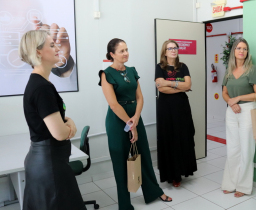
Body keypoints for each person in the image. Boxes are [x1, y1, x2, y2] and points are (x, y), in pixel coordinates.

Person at [99, 38, 172, 210]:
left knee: (144, 156)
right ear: (112, 54)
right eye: (121, 51)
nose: (126, 53)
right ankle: (125, 204)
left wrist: (136, 118)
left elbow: (140, 97)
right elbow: (114, 104)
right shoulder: (106, 74)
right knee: (121, 162)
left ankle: (154, 191)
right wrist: (130, 123)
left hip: (135, 118)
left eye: (126, 49)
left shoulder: (132, 70)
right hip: (118, 122)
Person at [20, 30, 85, 210]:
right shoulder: (42, 88)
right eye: (51, 45)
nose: (57, 48)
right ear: (38, 51)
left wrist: (66, 121)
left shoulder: (40, 83)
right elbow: (60, 133)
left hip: (45, 162)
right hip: (49, 166)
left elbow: (57, 120)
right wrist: (70, 124)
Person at [221, 38, 256, 197]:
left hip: (247, 110)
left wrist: (238, 99)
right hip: (231, 111)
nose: (242, 51)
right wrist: (231, 103)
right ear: (234, 51)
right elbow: (224, 93)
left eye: (245, 49)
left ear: (247, 52)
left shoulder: (252, 69)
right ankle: (230, 183)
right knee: (232, 148)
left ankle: (244, 187)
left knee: (246, 148)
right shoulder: (229, 69)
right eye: (239, 48)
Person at [155, 40, 197, 187]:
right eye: (170, 48)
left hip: (182, 107)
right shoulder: (160, 67)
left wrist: (169, 83)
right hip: (165, 109)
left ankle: (182, 171)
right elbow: (161, 88)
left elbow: (188, 85)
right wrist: (180, 86)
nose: (173, 50)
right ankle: (171, 174)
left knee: (183, 137)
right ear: (165, 52)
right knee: (169, 138)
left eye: (175, 48)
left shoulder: (183, 67)